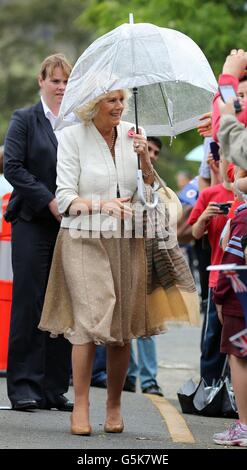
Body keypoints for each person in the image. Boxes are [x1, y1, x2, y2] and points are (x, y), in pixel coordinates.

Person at [39, 91, 200, 435]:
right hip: (83, 238)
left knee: (121, 329)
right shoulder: (71, 136)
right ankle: (80, 405)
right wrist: (103, 205)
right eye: (111, 100)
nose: (118, 107)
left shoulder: (132, 135)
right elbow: (65, 198)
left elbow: (152, 193)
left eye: (121, 100)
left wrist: (145, 161)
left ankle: (114, 405)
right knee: (87, 321)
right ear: (93, 103)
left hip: (128, 240)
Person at [3, 54, 73, 411]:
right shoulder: (25, 120)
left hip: (70, 225)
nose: (61, 87)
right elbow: (13, 167)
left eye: (65, 81)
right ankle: (24, 385)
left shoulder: (77, 122)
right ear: (41, 81)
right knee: (30, 302)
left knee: (62, 303)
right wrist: (48, 200)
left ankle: (53, 387)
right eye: (55, 81)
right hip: (32, 221)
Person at [124, 136, 164, 397]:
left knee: (146, 320)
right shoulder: (124, 173)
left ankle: (149, 379)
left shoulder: (155, 182)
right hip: (122, 249)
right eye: (147, 148)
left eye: (155, 152)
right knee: (124, 318)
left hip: (148, 252)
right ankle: (129, 373)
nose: (151, 153)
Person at [213, 202, 247, 446]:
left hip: (240, 298)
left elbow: (232, 262)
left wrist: (219, 296)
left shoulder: (244, 217)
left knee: (240, 358)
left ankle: (244, 425)